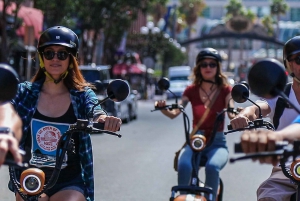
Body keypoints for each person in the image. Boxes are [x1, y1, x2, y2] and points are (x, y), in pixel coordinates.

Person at [9, 26, 122, 201]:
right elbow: (6, 107)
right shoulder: (24, 92)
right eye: (49, 53)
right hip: (31, 177)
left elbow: (94, 109)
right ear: (41, 57)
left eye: (62, 54)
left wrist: (103, 119)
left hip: (68, 181)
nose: (55, 58)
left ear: (71, 59)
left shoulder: (82, 95)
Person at [155, 47, 235, 201]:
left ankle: (210, 198)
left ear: (218, 67)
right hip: (195, 141)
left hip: (217, 143)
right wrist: (163, 108)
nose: (208, 67)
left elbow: (231, 111)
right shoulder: (190, 90)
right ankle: (182, 197)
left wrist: (240, 116)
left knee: (212, 167)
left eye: (212, 64)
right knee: (184, 165)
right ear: (198, 67)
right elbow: (175, 113)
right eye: (204, 64)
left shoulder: (226, 90)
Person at [230, 36, 300, 201]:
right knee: (268, 196)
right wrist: (244, 115)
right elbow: (258, 107)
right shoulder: (281, 95)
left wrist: (278, 137)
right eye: (299, 59)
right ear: (288, 64)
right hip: (286, 170)